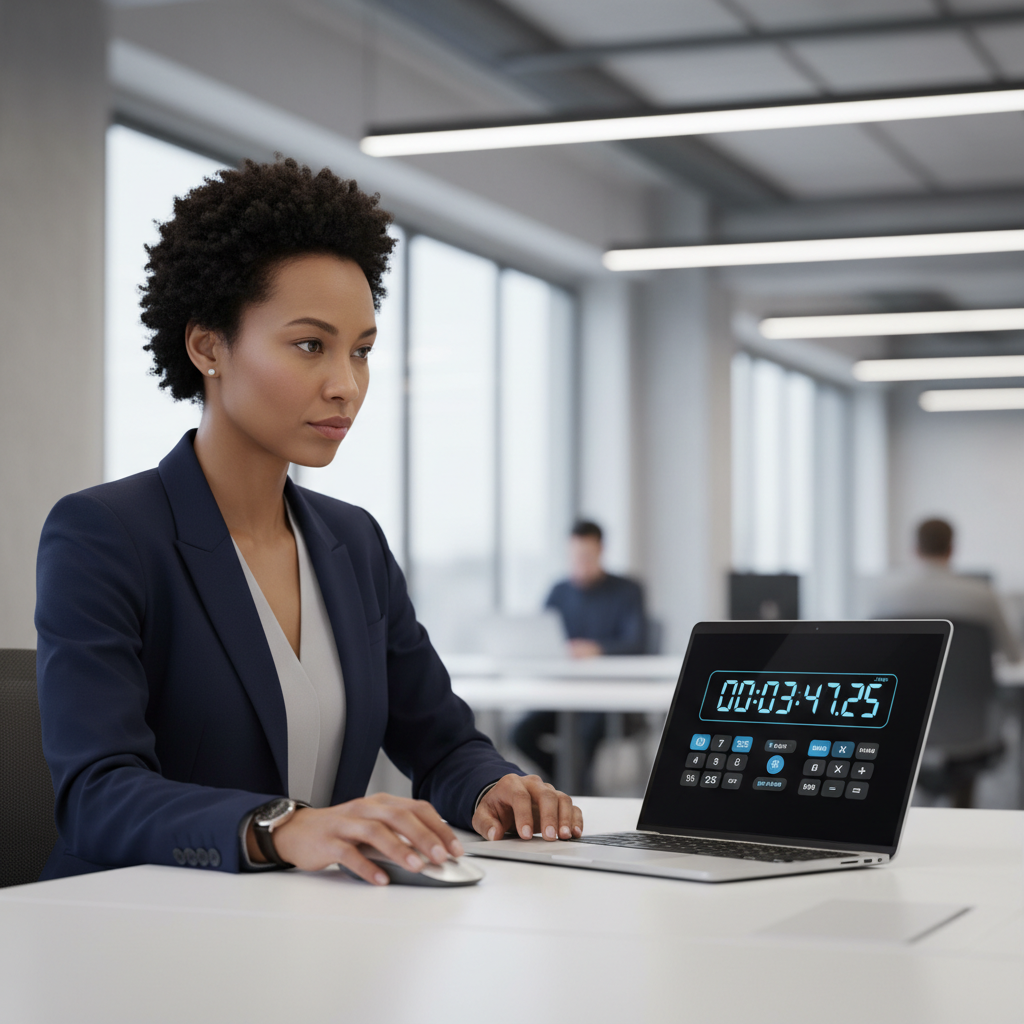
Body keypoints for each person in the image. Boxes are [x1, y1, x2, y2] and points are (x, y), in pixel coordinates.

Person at [35, 158, 582, 885]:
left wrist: (494, 790)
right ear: (208, 347)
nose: (345, 385)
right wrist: (282, 828)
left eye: (361, 351)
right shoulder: (104, 533)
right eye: (309, 345)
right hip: (132, 932)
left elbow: (444, 744)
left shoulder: (352, 542)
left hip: (305, 928)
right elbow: (96, 796)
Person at [512, 521, 646, 787]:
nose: (580, 563)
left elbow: (638, 643)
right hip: (564, 694)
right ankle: (567, 785)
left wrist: (597, 649)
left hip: (609, 697)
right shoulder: (559, 591)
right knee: (521, 733)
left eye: (586, 556)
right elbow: (542, 639)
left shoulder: (627, 591)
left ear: (600, 551)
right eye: (574, 556)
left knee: (582, 739)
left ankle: (576, 789)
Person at [870, 518, 1021, 662]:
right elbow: (1013, 656)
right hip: (970, 687)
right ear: (951, 549)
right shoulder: (983, 596)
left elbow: (872, 649)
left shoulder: (885, 598)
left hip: (910, 686)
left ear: (916, 550)